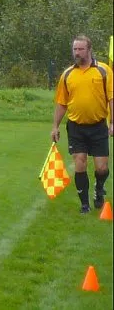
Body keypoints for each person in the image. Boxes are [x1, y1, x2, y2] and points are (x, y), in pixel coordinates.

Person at [51, 35, 114, 214]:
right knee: (80, 163)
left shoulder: (104, 71)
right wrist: (55, 126)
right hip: (76, 127)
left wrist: (112, 123)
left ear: (89, 50)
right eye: (74, 49)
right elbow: (62, 103)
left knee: (102, 167)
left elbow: (111, 98)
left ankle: (99, 189)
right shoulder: (67, 74)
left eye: (80, 49)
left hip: (98, 126)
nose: (77, 53)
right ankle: (84, 204)